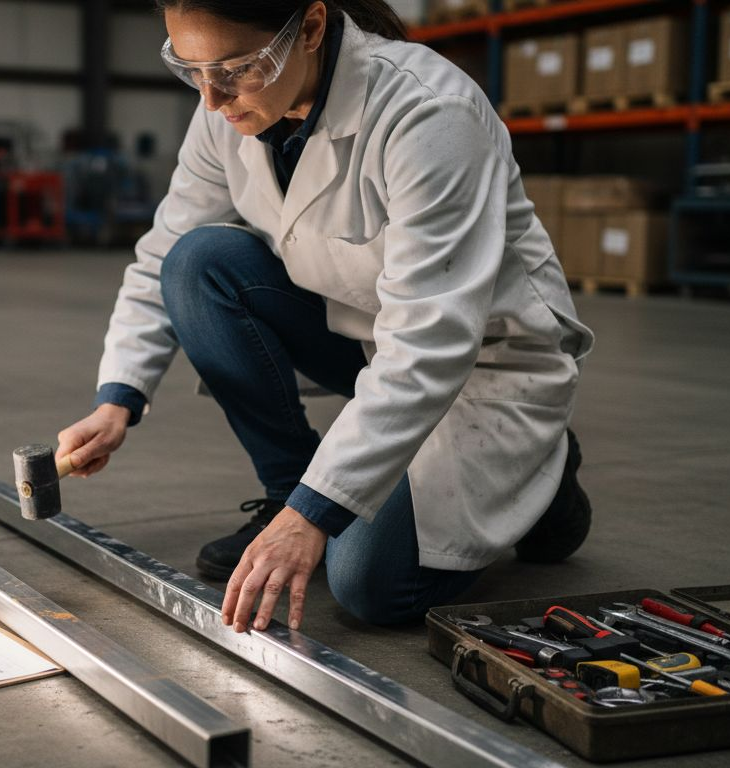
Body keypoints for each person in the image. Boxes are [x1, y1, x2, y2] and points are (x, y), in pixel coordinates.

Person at [56, 0, 595, 632]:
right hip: (360, 329)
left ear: (309, 29)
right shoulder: (228, 113)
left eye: (235, 67)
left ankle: (546, 475)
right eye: (191, 69)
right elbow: (162, 254)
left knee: (369, 586)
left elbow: (432, 338)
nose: (212, 99)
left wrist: (319, 516)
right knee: (197, 263)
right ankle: (287, 490)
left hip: (481, 357)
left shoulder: (429, 112)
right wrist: (117, 397)